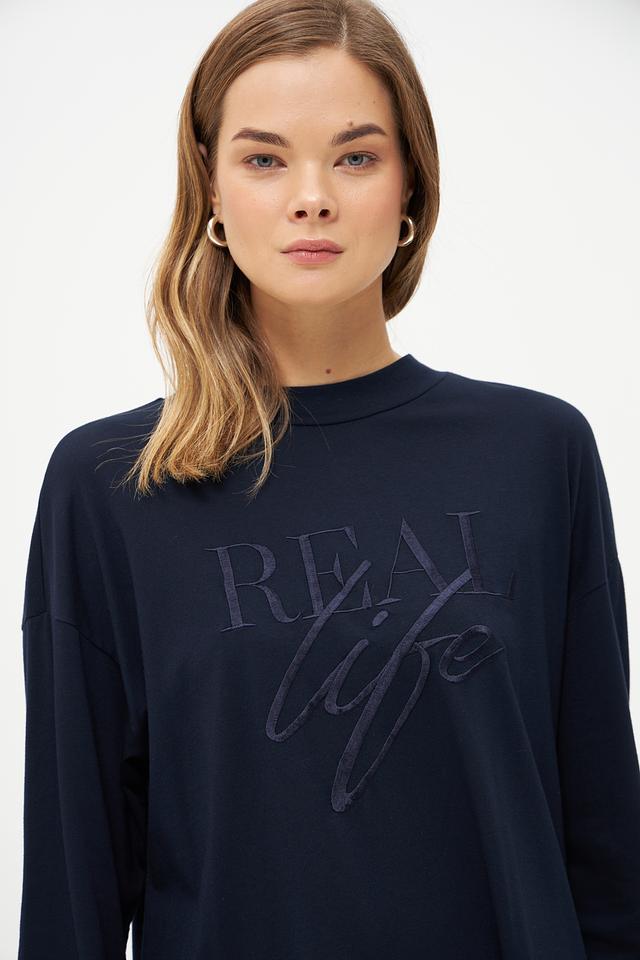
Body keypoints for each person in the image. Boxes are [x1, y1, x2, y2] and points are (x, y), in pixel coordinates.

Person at [17, 0, 640, 957]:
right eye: (265, 160)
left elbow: (608, 849)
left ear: (411, 186)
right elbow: (74, 884)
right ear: (211, 190)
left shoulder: (537, 452)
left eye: (355, 156)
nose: (311, 197)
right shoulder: (113, 487)